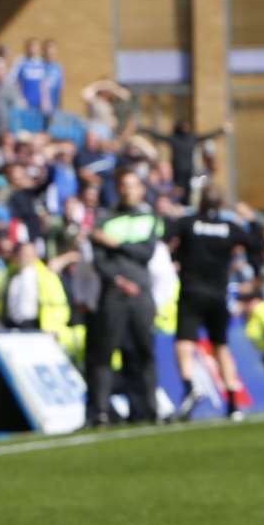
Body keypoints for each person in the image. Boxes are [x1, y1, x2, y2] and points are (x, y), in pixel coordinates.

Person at [166, 188, 260, 420]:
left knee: (185, 341)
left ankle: (189, 386)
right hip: (218, 295)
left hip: (192, 291)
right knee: (221, 347)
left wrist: (172, 217)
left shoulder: (188, 222)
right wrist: (252, 221)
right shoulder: (229, 228)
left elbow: (165, 238)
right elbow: (256, 245)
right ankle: (233, 401)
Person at [85, 171, 161, 426]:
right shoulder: (105, 218)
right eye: (123, 186)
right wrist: (117, 280)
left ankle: (146, 409)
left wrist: (115, 244)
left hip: (140, 295)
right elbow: (99, 259)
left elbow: (145, 253)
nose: (127, 191)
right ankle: (101, 411)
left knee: (142, 353)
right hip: (114, 293)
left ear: (141, 190)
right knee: (105, 353)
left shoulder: (149, 218)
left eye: (132, 186)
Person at [142, 119, 232, 202]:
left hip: (189, 171)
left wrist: (222, 130)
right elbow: (158, 136)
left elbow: (208, 135)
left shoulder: (192, 138)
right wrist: (143, 129)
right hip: (178, 172)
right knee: (177, 192)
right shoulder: (175, 139)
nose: (185, 128)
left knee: (190, 192)